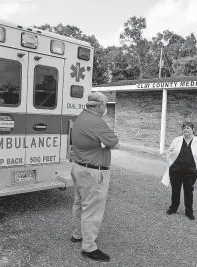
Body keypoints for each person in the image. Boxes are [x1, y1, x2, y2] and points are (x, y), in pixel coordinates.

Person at [70, 92, 119, 262]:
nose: (106, 108)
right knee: (92, 208)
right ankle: (89, 247)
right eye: (105, 105)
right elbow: (115, 143)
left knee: (79, 203)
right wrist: (102, 143)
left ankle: (77, 235)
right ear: (99, 106)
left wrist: (101, 142)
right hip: (92, 171)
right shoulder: (97, 123)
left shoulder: (81, 117)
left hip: (79, 167)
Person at [162, 122, 197, 220]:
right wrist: (170, 164)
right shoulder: (177, 140)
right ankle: (173, 208)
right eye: (184, 128)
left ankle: (189, 212)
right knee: (175, 191)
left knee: (188, 192)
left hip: (190, 172)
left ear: (193, 130)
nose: (186, 130)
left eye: (188, 128)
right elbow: (169, 153)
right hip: (176, 171)